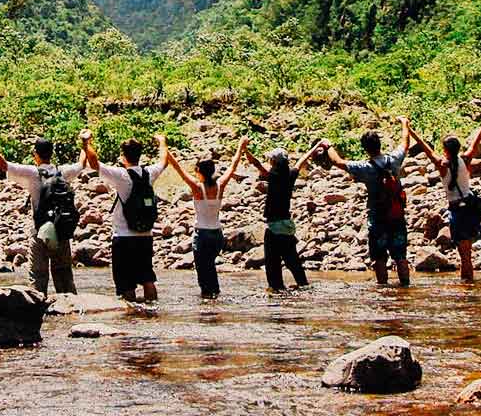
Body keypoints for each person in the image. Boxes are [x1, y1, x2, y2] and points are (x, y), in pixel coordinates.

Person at [0, 131, 81, 297]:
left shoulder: (31, 173)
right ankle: (71, 314)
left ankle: (38, 316)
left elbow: (3, 164)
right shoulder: (63, 172)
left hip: (39, 233)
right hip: (61, 231)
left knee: (37, 278)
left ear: (35, 154)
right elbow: (82, 163)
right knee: (64, 277)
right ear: (52, 153)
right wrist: (85, 143)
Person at [319, 117, 413, 286]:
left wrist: (328, 146)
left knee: (379, 258)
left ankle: (383, 290)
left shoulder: (365, 168)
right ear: (379, 144)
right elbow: (405, 143)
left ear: (365, 149)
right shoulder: (394, 160)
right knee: (401, 257)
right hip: (397, 216)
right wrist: (404, 123)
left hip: (378, 219)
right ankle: (406, 287)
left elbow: (338, 162)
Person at [409, 107, 481, 282]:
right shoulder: (465, 159)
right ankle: (468, 288)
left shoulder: (442, 165)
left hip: (457, 212)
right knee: (467, 254)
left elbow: (425, 148)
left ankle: (468, 291)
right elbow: (478, 138)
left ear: (445, 150)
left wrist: (410, 130)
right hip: (471, 210)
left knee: (464, 255)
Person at [81, 127, 169, 302]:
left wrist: (86, 142)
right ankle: (153, 313)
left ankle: (131, 318)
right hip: (145, 235)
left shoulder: (121, 175)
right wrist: (162, 142)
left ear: (123, 156)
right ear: (140, 155)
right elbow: (164, 160)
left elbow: (94, 163)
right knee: (147, 278)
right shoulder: (149, 173)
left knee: (126, 284)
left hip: (124, 236)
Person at [166, 137, 247, 299]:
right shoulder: (220, 185)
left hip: (202, 235)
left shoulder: (197, 188)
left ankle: (207, 303)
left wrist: (164, 149)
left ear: (199, 172)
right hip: (217, 235)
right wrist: (241, 147)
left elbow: (178, 168)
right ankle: (215, 299)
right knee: (210, 267)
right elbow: (233, 166)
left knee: (203, 272)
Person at [242, 142, 318, 292]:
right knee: (292, 259)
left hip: (275, 227)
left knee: (272, 262)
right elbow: (302, 160)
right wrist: (315, 148)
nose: (269, 162)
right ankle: (303, 285)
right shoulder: (290, 175)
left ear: (274, 162)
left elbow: (257, 164)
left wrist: (244, 150)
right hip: (287, 225)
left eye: (271, 160)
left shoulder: (274, 176)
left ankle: (276, 288)